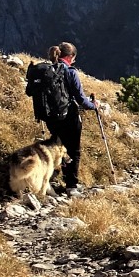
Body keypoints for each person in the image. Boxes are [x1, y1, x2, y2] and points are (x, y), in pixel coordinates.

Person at [43, 42, 101, 193]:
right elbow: (81, 99)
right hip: (68, 117)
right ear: (70, 57)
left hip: (50, 117)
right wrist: (94, 105)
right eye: (74, 58)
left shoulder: (48, 70)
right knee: (73, 150)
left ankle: (46, 179)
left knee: (58, 146)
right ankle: (71, 186)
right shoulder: (70, 72)